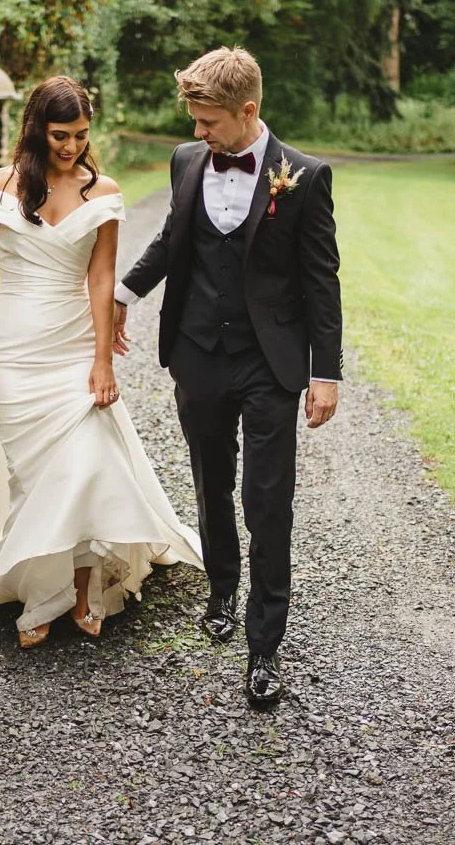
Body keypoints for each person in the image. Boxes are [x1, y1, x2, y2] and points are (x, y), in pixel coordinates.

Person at [0, 76, 204, 648]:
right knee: (34, 479)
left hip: (73, 347)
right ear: (37, 129)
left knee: (85, 466)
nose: (72, 146)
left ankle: (83, 591)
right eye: (60, 135)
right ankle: (40, 593)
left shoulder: (101, 194)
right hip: (12, 351)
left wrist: (103, 361)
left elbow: (101, 279)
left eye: (81, 134)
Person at [113, 47, 342, 709]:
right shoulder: (187, 162)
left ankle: (264, 646)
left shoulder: (304, 176)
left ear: (247, 111)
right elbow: (172, 241)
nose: (197, 132)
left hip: (270, 361)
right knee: (211, 480)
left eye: (208, 121)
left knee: (267, 501)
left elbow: (320, 281)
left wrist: (325, 372)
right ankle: (220, 589)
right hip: (197, 352)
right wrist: (123, 294)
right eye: (193, 119)